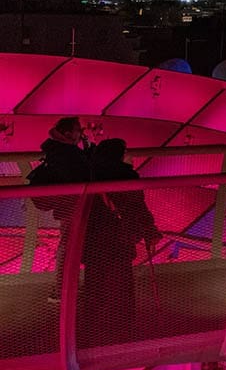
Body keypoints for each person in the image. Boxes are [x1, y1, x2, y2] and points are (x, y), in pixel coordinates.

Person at [79, 138, 161, 346]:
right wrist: (150, 231)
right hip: (119, 239)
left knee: (94, 285)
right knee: (122, 284)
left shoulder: (89, 174)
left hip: (93, 240)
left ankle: (87, 328)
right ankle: (123, 326)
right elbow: (138, 209)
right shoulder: (126, 175)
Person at [38, 117, 92, 302]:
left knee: (68, 245)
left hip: (67, 204)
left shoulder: (56, 149)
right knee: (69, 247)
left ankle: (66, 288)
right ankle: (64, 290)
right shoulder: (67, 152)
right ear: (68, 133)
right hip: (72, 204)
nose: (81, 134)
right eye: (79, 130)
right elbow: (83, 172)